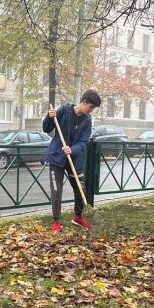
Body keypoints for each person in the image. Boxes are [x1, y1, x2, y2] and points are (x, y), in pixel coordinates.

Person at [42, 89, 101, 232]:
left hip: (74, 159)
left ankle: (78, 217)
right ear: (84, 102)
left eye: (93, 109)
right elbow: (46, 128)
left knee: (81, 188)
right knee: (57, 190)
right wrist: (50, 117)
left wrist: (72, 149)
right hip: (56, 157)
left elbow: (83, 142)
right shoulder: (64, 111)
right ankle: (56, 221)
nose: (91, 111)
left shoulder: (87, 120)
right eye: (91, 107)